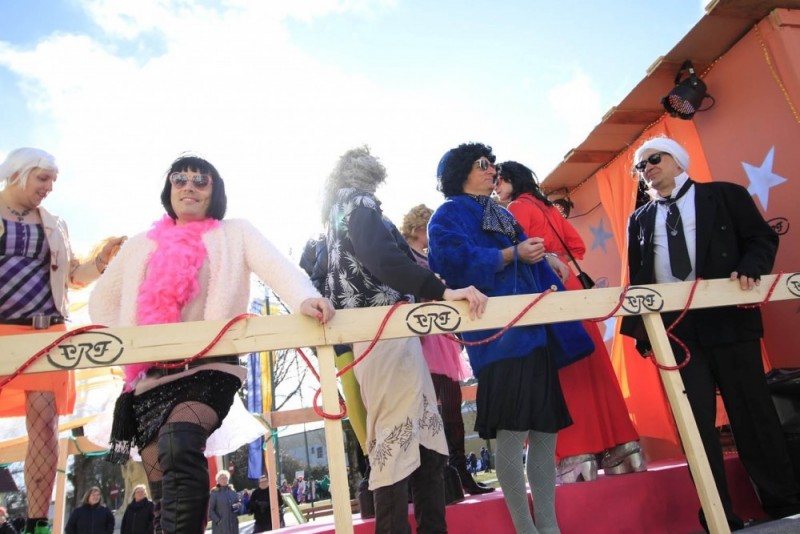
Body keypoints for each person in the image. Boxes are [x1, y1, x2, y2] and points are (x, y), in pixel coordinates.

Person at [88, 154, 334, 534]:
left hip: (209, 368)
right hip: (151, 380)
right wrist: (132, 342)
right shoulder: (139, 245)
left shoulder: (235, 233)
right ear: (169, 188)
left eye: (200, 180)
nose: (189, 186)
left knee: (179, 442)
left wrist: (304, 298)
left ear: (214, 192)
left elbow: (278, 267)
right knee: (162, 490)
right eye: (179, 178)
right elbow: (100, 302)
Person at [621, 136, 800, 531]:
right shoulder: (639, 219)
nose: (646, 168)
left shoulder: (725, 195)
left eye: (654, 159)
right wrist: (643, 332)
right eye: (640, 166)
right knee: (695, 427)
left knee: (753, 416)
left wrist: (751, 267)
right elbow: (639, 276)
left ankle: (786, 506)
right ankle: (719, 519)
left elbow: (761, 238)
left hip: (729, 319)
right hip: (677, 331)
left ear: (677, 160)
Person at [428, 142, 594, 533]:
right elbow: (450, 263)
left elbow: (522, 255)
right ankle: (525, 528)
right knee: (513, 432)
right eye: (483, 164)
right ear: (460, 173)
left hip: (534, 332)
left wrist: (544, 257)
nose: (492, 170)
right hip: (498, 339)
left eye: (493, 164)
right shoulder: (447, 214)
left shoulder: (500, 212)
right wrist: (510, 255)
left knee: (545, 433)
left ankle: (548, 526)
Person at [321, 146, 488, 533]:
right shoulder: (360, 205)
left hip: (379, 334)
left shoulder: (339, 212)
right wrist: (440, 290)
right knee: (397, 444)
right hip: (385, 331)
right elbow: (383, 259)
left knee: (417, 438)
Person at [0, 148, 124, 534]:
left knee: (45, 424)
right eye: (43, 179)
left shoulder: (55, 224)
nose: (49, 188)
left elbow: (72, 276)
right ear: (17, 174)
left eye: (53, 181)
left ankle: (37, 524)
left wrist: (101, 261)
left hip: (45, 333)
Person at [495, 160, 644, 482]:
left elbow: (514, 251)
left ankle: (578, 453)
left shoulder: (517, 208)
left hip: (545, 287)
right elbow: (577, 246)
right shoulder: (548, 208)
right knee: (595, 370)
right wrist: (556, 254)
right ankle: (623, 446)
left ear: (512, 180)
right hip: (572, 286)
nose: (496, 188)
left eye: (500, 181)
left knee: (564, 373)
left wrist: (543, 256)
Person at [400, 204, 493, 498]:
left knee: (451, 408)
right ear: (419, 228)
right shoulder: (405, 256)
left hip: (442, 336)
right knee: (426, 409)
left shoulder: (429, 257)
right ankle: (433, 479)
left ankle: (459, 472)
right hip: (421, 337)